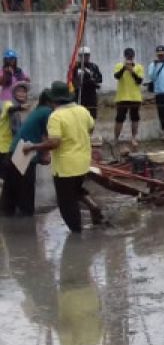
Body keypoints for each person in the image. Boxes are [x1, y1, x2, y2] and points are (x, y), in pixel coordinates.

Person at [22, 81, 104, 232]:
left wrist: (33, 147)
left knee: (66, 203)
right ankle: (94, 206)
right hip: (83, 163)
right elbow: (90, 128)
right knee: (76, 190)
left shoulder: (56, 116)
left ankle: (77, 234)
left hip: (65, 168)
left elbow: (54, 143)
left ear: (53, 100)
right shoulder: (82, 110)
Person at [10, 88, 51, 216]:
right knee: (26, 194)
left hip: (15, 150)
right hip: (25, 152)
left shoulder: (37, 110)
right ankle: (26, 227)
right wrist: (45, 154)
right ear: (50, 101)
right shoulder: (47, 112)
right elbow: (46, 135)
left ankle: (12, 227)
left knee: (13, 192)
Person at [0, 81, 30, 215]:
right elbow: (10, 110)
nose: (22, 94)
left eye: (24, 91)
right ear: (13, 93)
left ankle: (11, 206)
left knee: (12, 179)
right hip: (4, 148)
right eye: (19, 91)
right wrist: (21, 108)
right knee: (5, 180)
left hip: (13, 148)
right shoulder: (9, 104)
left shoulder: (21, 109)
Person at [112, 47, 144, 147]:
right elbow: (117, 76)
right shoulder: (119, 65)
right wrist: (124, 69)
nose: (129, 58)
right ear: (125, 56)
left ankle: (133, 138)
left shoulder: (139, 67)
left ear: (133, 56)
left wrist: (132, 71)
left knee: (135, 118)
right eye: (127, 56)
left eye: (131, 56)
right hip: (122, 97)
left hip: (135, 97)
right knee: (119, 118)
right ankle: (116, 139)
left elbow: (139, 81)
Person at [71, 47, 103, 119]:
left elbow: (99, 79)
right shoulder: (76, 67)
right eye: (84, 55)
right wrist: (77, 81)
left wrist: (92, 79)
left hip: (91, 95)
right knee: (80, 117)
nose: (86, 57)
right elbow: (72, 80)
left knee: (92, 117)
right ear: (80, 56)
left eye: (87, 55)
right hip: (80, 95)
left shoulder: (94, 67)